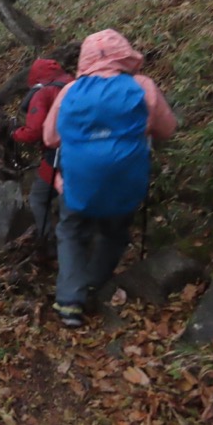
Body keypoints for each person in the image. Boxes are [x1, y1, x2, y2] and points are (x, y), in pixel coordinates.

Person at [43, 29, 177, 327]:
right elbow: (167, 130)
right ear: (125, 54)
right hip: (125, 184)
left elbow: (50, 137)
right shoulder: (142, 87)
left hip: (78, 184)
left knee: (72, 232)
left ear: (84, 59)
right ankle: (93, 282)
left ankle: (70, 301)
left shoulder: (69, 92)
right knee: (115, 233)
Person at [10, 59, 73, 260]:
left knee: (38, 198)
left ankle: (50, 244)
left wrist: (15, 133)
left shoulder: (43, 93)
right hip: (83, 151)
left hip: (57, 157)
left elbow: (34, 131)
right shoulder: (75, 82)